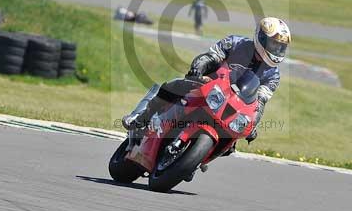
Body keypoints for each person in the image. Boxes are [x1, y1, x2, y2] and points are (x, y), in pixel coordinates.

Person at [122, 17, 291, 149]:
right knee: (171, 87)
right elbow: (210, 57)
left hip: (232, 107)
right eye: (274, 44)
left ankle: (196, 157)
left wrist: (253, 123)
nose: (277, 50)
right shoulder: (235, 43)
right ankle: (141, 118)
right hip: (206, 86)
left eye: (281, 47)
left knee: (231, 145)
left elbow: (260, 102)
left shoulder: (273, 75)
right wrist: (198, 68)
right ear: (261, 37)